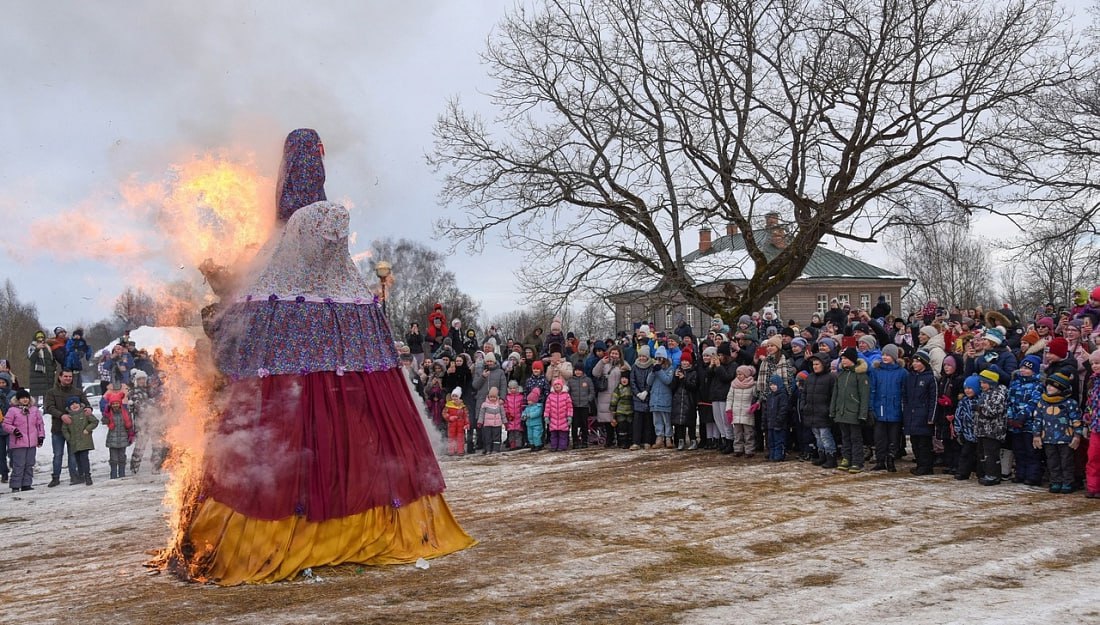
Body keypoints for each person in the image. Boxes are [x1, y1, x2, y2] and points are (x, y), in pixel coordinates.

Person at [168, 129, 473, 585]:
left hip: (300, 358)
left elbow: (239, 334)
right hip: (348, 353)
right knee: (353, 438)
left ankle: (269, 536)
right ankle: (373, 526)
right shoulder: (326, 233)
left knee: (293, 445)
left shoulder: (279, 248)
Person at [1033, 372, 1084, 494]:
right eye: (1048, 385)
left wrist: (1077, 435)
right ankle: (1055, 481)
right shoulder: (1042, 402)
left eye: (1053, 386)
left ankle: (1068, 482)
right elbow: (1037, 419)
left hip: (1066, 438)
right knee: (1052, 461)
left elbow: (1076, 420)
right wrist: (1036, 434)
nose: (1049, 388)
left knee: (1066, 461)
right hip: (1048, 438)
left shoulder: (1069, 403)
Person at [42, 370, 91, 487]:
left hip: (75, 430)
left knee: (73, 454)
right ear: (60, 377)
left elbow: (86, 403)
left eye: (70, 376)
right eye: (65, 376)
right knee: (58, 454)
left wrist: (89, 409)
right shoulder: (52, 392)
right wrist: (61, 415)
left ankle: (74, 476)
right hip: (58, 428)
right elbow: (49, 407)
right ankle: (55, 477)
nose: (68, 378)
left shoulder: (77, 391)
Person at [2, 390, 45, 492]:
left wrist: (41, 436)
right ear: (18, 399)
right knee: (19, 464)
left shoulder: (34, 410)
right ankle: (15, 485)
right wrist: (14, 430)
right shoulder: (13, 410)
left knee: (29, 463)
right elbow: (5, 424)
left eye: (26, 397)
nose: (25, 399)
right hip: (18, 442)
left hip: (32, 442)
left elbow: (40, 425)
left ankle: (26, 483)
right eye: (22, 398)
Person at [61, 396, 97, 485]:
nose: (74, 405)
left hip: (85, 441)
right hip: (74, 442)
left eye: (76, 403)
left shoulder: (85, 413)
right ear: (69, 407)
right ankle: (81, 475)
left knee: (84, 459)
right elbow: (64, 429)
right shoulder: (68, 417)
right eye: (72, 404)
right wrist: (69, 438)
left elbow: (94, 421)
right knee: (78, 460)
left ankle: (87, 476)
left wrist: (88, 429)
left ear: (79, 404)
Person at [102, 388, 135, 479]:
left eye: (117, 403)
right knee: (113, 459)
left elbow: (129, 425)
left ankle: (122, 473)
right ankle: (113, 474)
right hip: (112, 439)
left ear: (120, 403)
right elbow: (104, 421)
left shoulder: (125, 413)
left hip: (123, 438)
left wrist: (130, 435)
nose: (115, 405)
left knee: (122, 457)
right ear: (111, 404)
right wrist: (106, 413)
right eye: (113, 403)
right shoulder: (109, 413)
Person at [476, 386, 505, 454]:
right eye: (491, 397)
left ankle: (496, 449)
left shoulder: (499, 404)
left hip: (497, 424)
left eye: (494, 397)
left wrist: (505, 422)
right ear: (488, 396)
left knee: (496, 438)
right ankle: (488, 449)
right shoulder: (485, 404)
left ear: (497, 397)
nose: (492, 398)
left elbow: (503, 414)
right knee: (488, 437)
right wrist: (480, 422)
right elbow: (481, 414)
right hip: (487, 424)